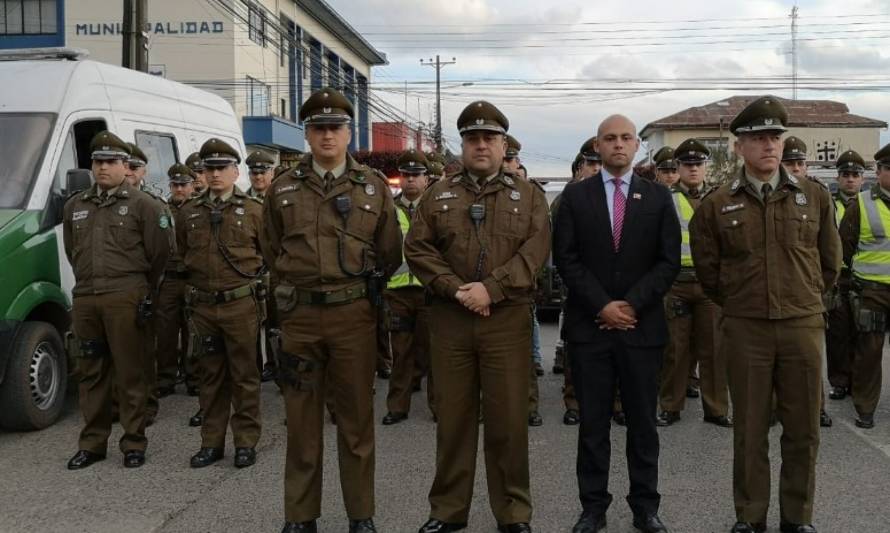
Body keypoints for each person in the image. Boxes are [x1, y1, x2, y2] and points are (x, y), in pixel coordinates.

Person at [690, 96, 841, 533]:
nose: (770, 146)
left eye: (775, 137)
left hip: (802, 325)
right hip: (746, 328)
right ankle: (750, 516)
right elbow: (708, 271)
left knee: (803, 429)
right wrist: (742, 304)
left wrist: (802, 299)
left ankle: (797, 518)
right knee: (750, 430)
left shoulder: (814, 196)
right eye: (758, 139)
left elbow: (829, 264)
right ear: (739, 146)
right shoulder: (718, 204)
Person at [406, 100, 550, 533]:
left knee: (508, 422)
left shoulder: (529, 196)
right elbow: (417, 249)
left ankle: (513, 512)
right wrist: (457, 290)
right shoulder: (437, 195)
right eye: (473, 138)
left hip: (506, 321)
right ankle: (448, 511)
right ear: (463, 144)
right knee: (453, 420)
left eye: (490, 137)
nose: (481, 145)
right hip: (450, 321)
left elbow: (536, 252)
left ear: (503, 144)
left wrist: (492, 288)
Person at [263, 88, 402, 533]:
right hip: (300, 318)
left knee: (355, 421)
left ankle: (361, 515)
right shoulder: (282, 187)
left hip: (353, 318)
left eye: (335, 128)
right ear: (306, 134)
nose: (327, 136)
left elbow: (389, 251)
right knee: (302, 423)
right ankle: (301, 517)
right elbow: (270, 248)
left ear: (347, 134)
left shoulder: (372, 186)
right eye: (318, 128)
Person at [553, 115, 678, 533]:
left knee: (642, 423)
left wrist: (631, 306)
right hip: (591, 330)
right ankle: (593, 507)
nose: (619, 145)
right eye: (610, 138)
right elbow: (566, 259)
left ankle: (645, 507)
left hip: (641, 330)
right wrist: (603, 306)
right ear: (598, 145)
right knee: (593, 425)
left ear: (636, 146)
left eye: (626, 138)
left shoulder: (660, 198)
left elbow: (668, 261)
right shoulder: (575, 197)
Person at [63, 131, 172, 470]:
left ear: (126, 167)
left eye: (110, 162)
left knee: (131, 373)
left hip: (126, 297)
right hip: (87, 299)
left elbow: (161, 254)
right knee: (91, 373)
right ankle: (93, 444)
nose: (102, 168)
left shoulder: (145, 205)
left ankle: (134, 443)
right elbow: (72, 251)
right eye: (97, 161)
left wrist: (140, 289)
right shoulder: (75, 206)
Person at [178, 138, 266, 470]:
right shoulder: (189, 212)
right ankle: (211, 443)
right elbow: (181, 251)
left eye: (221, 168)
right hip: (203, 307)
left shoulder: (255, 210)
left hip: (240, 304)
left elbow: (268, 253)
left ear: (235, 171)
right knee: (210, 377)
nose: (214, 175)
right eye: (208, 168)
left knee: (244, 376)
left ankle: (245, 441)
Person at [656, 139, 731, 428]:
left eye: (698, 164)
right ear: (678, 168)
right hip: (676, 284)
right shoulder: (664, 198)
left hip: (710, 286)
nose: (693, 170)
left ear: (705, 167)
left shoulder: (719, 197)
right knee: (675, 350)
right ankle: (670, 407)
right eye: (687, 165)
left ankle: (716, 409)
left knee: (714, 350)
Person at [780, 137, 835, 428]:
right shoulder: (769, 195)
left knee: (812, 359)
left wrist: (818, 287)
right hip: (776, 292)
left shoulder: (818, 194)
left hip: (808, 292)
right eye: (791, 163)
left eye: (800, 163)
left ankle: (818, 408)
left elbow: (830, 251)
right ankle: (779, 408)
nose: (797, 168)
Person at [839, 145, 890, 429]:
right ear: (878, 171)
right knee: (869, 352)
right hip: (872, 291)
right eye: (889, 169)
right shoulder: (862, 204)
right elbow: (843, 246)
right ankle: (865, 407)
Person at [382, 149, 434, 425]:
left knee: (434, 353)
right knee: (400, 353)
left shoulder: (437, 207)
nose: (411, 180)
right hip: (398, 292)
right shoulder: (388, 209)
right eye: (406, 175)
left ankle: (438, 406)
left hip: (430, 291)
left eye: (417, 175)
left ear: (426, 179)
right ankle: (397, 406)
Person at [820, 141, 864, 402]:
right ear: (838, 178)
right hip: (836, 277)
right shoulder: (828, 204)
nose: (850, 180)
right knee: (836, 333)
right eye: (845, 175)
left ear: (862, 178)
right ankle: (839, 381)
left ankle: (858, 381)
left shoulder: (869, 205)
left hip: (862, 278)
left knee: (861, 333)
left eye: (855, 175)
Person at [153, 164, 198, 407]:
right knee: (166, 331)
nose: (179, 189)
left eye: (184, 184)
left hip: (192, 277)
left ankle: (194, 377)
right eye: (175, 185)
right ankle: (166, 378)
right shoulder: (161, 209)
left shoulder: (198, 209)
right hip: (168, 278)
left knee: (192, 330)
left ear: (192, 186)